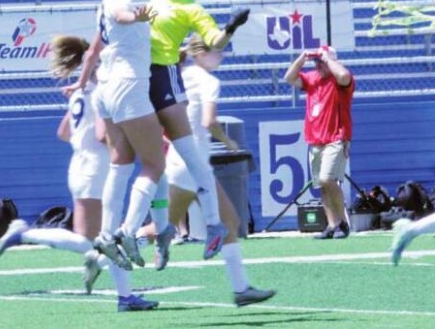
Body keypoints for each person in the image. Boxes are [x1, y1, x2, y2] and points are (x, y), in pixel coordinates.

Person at [0, 35, 159, 312]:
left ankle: (125, 296)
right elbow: (100, 134)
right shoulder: (99, 92)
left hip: (81, 167)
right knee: (99, 240)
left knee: (98, 239)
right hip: (95, 170)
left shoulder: (81, 93)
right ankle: (24, 234)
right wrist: (129, 139)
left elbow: (63, 132)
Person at [138, 35, 276, 306]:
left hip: (187, 162)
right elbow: (209, 120)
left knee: (230, 222)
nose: (221, 57)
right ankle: (107, 249)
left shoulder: (179, 74)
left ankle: (241, 289)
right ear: (201, 53)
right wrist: (227, 141)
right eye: (217, 51)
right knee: (160, 227)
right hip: (190, 165)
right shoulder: (207, 80)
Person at [139, 0, 251, 261]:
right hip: (149, 79)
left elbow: (214, 40)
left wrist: (231, 27)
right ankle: (123, 239)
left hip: (160, 77)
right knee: (176, 217)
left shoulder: (191, 8)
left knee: (213, 219)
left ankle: (238, 282)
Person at [62, 0, 176, 272]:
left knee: (120, 164)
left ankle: (107, 235)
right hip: (128, 88)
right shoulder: (116, 2)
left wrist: (79, 84)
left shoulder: (104, 7)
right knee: (154, 163)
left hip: (106, 91)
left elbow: (92, 52)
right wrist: (140, 15)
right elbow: (125, 16)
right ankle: (128, 230)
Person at [284, 46, 354, 239]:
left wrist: (328, 59)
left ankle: (343, 222)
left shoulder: (339, 79)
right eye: (317, 62)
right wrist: (302, 58)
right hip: (315, 139)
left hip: (336, 138)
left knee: (327, 179)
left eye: (321, 61)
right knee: (321, 186)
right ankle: (332, 225)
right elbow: (289, 77)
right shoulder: (313, 78)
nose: (318, 65)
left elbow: (344, 76)